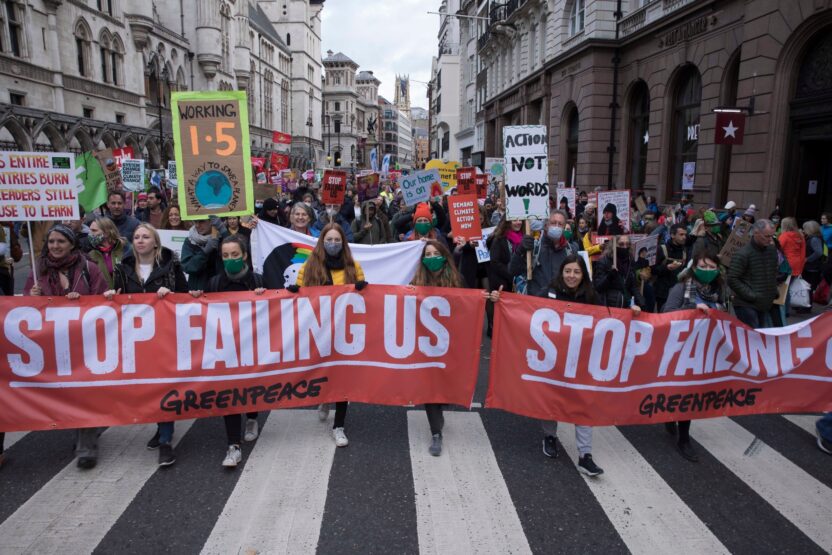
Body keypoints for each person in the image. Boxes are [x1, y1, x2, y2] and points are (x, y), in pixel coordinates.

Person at [24, 224, 108, 468]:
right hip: (50, 343)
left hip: (84, 341)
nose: (55, 246)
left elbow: (102, 302)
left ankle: (86, 448)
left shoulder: (87, 268)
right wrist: (33, 297)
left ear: (72, 244)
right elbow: (24, 311)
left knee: (84, 391)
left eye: (61, 241)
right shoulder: (37, 270)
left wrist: (82, 302)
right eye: (51, 242)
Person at [104, 223, 188, 466]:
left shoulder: (171, 266)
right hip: (135, 338)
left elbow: (185, 296)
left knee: (163, 385)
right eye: (137, 237)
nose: (140, 240)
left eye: (145, 237)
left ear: (155, 242)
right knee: (146, 387)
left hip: (164, 336)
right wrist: (111, 297)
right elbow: (116, 295)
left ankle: (165, 439)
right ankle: (160, 427)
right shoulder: (123, 269)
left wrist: (170, 295)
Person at [410, 240, 500, 456]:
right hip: (425, 344)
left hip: (449, 343)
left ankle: (440, 405)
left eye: (435, 254)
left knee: (444, 384)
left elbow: (470, 303)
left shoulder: (457, 280)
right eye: (428, 254)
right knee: (430, 386)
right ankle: (435, 432)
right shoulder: (416, 280)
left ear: (444, 256)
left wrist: (489, 298)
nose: (432, 258)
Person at [290, 223, 367, 447]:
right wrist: (296, 291)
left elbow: (362, 300)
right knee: (324, 371)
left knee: (342, 377)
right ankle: (325, 397)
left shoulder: (353, 266)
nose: (333, 244)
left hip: (344, 331)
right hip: (320, 331)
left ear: (343, 243)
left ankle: (339, 426)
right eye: (329, 239)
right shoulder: (310, 266)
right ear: (322, 241)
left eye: (337, 240)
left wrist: (363, 289)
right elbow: (301, 296)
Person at [536, 254, 610, 476]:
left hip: (581, 359)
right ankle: (549, 436)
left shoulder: (591, 296)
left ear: (583, 275)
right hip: (554, 358)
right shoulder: (549, 291)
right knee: (552, 398)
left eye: (577, 272)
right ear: (561, 272)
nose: (571, 276)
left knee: (583, 402)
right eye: (568, 271)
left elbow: (606, 320)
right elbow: (529, 311)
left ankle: (585, 455)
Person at [199, 236, 267, 467]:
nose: (230, 260)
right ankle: (233, 446)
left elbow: (277, 310)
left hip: (252, 344)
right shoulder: (215, 283)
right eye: (226, 256)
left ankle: (252, 417)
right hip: (226, 348)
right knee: (229, 393)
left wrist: (264, 296)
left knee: (251, 385)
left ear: (245, 256)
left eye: (235, 255)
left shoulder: (258, 280)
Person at [662, 249, 729, 462]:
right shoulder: (681, 288)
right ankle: (683, 438)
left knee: (691, 393)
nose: (707, 271)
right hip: (681, 349)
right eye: (703, 267)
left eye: (711, 267)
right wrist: (693, 308)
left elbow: (727, 316)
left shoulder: (719, 290)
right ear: (693, 268)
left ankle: (681, 431)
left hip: (705, 349)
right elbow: (666, 314)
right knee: (681, 390)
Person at [509, 209, 578, 297]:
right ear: (546, 225)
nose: (556, 226)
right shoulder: (534, 248)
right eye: (553, 223)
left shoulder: (571, 250)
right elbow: (513, 271)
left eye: (560, 224)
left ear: (564, 227)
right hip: (537, 303)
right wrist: (520, 250)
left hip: (561, 304)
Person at [727, 219, 780, 328]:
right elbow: (732, 278)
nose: (770, 240)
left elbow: (773, 272)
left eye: (772, 236)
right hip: (746, 304)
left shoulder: (771, 250)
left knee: (761, 336)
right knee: (752, 336)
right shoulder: (742, 254)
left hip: (765, 302)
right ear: (756, 233)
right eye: (767, 236)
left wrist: (773, 290)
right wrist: (751, 295)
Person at [593, 236, 645, 310]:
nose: (625, 247)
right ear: (614, 245)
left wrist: (641, 302)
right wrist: (610, 277)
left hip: (625, 306)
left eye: (627, 244)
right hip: (608, 307)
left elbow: (633, 286)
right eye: (621, 244)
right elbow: (598, 287)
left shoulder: (630, 260)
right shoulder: (604, 261)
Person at [181, 217, 228, 290]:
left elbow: (235, 257)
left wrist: (224, 232)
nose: (197, 225)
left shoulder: (223, 238)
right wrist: (204, 252)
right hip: (198, 292)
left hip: (220, 289)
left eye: (201, 221)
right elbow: (188, 267)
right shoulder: (190, 241)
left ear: (211, 222)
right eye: (195, 221)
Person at [653, 224, 691, 311]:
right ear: (672, 235)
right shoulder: (661, 249)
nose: (684, 237)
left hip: (679, 292)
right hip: (663, 293)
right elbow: (653, 270)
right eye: (681, 234)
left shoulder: (685, 251)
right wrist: (667, 268)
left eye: (685, 234)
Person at [87, 217, 126, 288]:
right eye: (90, 230)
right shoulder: (91, 254)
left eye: (94, 230)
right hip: (103, 296)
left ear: (106, 233)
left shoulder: (125, 249)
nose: (90, 234)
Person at [802, 220, 825, 300]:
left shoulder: (814, 239)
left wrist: (807, 259)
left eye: (804, 228)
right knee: (808, 287)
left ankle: (806, 307)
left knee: (808, 287)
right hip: (812, 267)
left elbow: (819, 252)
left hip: (812, 268)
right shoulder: (815, 238)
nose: (803, 230)